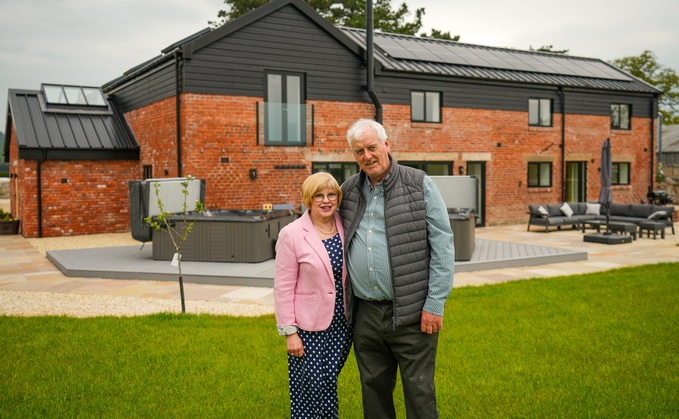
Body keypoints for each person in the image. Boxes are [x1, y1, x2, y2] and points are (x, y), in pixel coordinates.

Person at [339, 118, 455, 418]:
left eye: (372, 147)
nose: (367, 156)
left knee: (419, 392)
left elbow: (443, 246)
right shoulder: (348, 190)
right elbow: (319, 219)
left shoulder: (419, 183)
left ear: (387, 145)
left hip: (414, 312)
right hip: (365, 313)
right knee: (373, 390)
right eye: (359, 151)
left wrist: (435, 303)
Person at [273, 172, 352, 418]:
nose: (325, 200)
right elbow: (283, 286)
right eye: (319, 195)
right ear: (308, 199)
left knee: (328, 382)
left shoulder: (346, 225)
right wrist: (290, 332)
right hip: (308, 328)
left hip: (343, 324)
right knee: (308, 386)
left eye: (331, 195)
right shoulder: (292, 234)